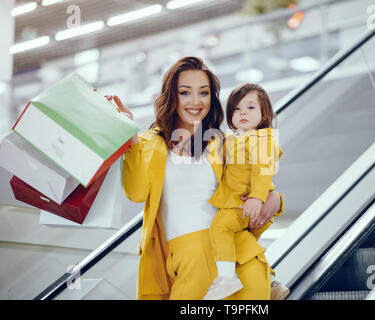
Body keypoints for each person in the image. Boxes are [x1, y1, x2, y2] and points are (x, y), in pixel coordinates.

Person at [112, 56, 283, 300]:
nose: (196, 101)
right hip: (191, 260)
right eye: (185, 92)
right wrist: (131, 140)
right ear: (171, 96)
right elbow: (136, 192)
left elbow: (258, 181)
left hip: (238, 254)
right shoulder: (150, 142)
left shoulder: (222, 142)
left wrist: (274, 199)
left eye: (204, 93)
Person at [203, 83, 283, 300]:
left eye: (250, 108)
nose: (243, 113)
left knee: (220, 227)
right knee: (230, 233)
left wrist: (258, 197)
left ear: (264, 113)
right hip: (234, 204)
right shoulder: (232, 138)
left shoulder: (263, 139)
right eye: (237, 109)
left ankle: (227, 279)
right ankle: (270, 282)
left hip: (243, 204)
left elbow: (263, 171)